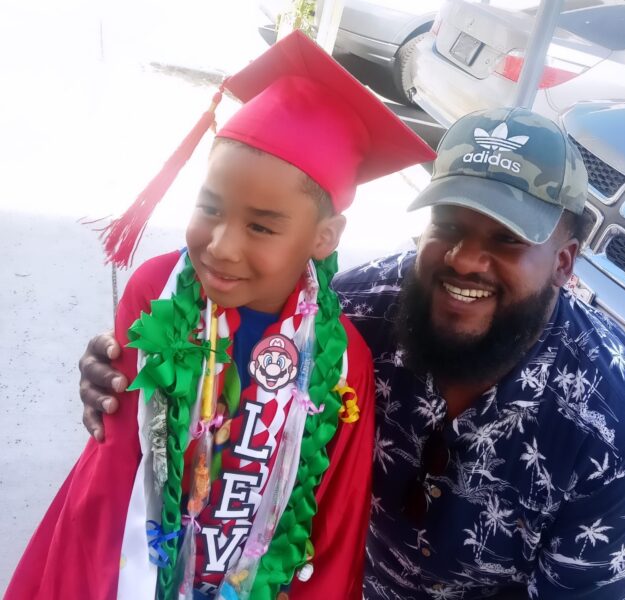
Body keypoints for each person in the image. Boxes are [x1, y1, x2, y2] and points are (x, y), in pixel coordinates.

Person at [76, 107, 625, 598]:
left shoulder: (610, 424)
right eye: (447, 225)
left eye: (506, 240)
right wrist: (128, 374)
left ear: (564, 262)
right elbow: (214, 369)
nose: (463, 258)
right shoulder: (350, 321)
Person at [7, 31, 435, 600]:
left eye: (261, 225)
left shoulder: (342, 360)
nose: (222, 246)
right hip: (130, 573)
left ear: (324, 238)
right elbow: (110, 482)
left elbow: (332, 514)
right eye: (209, 207)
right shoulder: (157, 292)